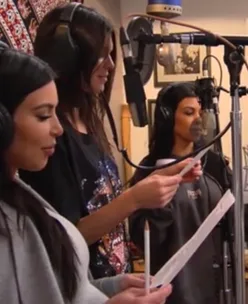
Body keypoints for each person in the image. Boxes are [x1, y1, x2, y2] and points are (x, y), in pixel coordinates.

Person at [18, 2, 201, 281]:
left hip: (112, 287)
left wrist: (157, 180)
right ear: (69, 59)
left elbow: (100, 202)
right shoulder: (50, 141)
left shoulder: (90, 127)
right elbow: (65, 238)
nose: (112, 65)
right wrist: (136, 198)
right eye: (101, 56)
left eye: (112, 55)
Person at [0, 46, 172, 304]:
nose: (58, 129)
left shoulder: (22, 196)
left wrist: (111, 287)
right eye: (43, 115)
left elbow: (58, 289)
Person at [129, 82, 248, 304]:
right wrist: (164, 195)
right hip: (174, 292)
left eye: (199, 112)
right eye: (189, 113)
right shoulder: (149, 171)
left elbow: (241, 231)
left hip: (220, 289)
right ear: (168, 117)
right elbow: (145, 240)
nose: (198, 119)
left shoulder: (215, 165)